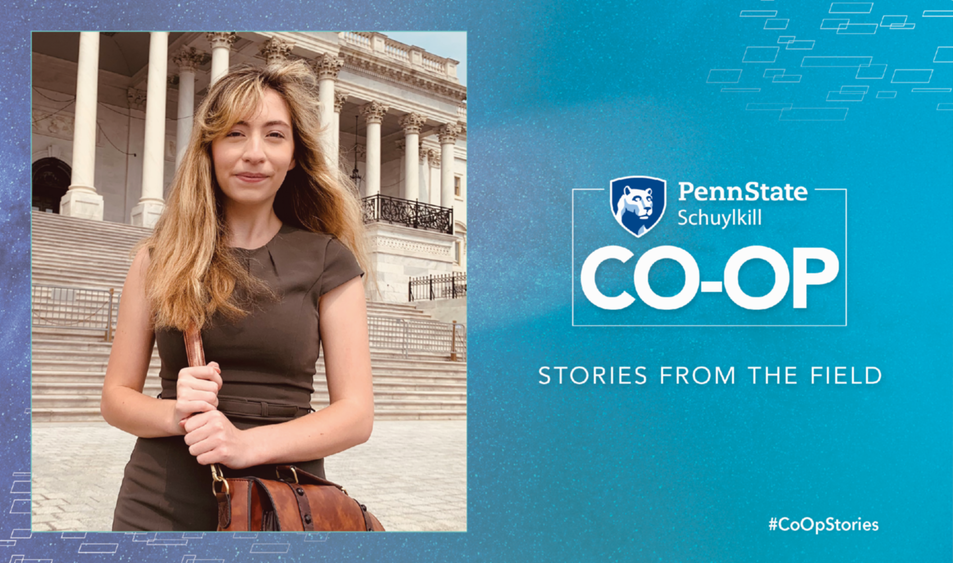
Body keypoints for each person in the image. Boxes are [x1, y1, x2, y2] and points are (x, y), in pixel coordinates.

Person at [100, 61, 374, 531]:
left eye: (274, 135)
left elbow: (356, 415)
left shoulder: (329, 259)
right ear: (208, 148)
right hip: (156, 504)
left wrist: (246, 445)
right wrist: (176, 413)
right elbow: (115, 397)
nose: (254, 154)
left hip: (280, 503)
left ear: (295, 155)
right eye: (234, 134)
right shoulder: (157, 257)